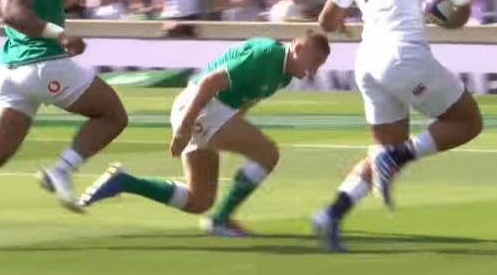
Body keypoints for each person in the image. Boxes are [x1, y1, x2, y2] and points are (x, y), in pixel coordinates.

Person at [315, 0, 483, 252]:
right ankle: (396, 159)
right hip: (402, 53)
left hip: (367, 61)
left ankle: (332, 213)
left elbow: (326, 20)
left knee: (384, 149)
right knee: (467, 122)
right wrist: (458, 2)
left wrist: (345, 27)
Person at [79, 33, 330, 236]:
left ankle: (124, 182)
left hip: (211, 113)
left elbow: (245, 101)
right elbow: (209, 82)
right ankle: (221, 220)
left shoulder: (285, 74)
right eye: (313, 63)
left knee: (198, 200)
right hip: (201, 108)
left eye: (318, 66)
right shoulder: (266, 56)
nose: (313, 72)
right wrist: (184, 128)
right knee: (268, 154)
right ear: (297, 47)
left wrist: (234, 128)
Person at [0, 0, 128, 211]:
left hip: (14, 71)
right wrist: (61, 34)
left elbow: (26, 8)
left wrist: (61, 0)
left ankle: (60, 172)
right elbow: (11, 12)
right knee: (112, 115)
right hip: (44, 65)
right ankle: (61, 171)